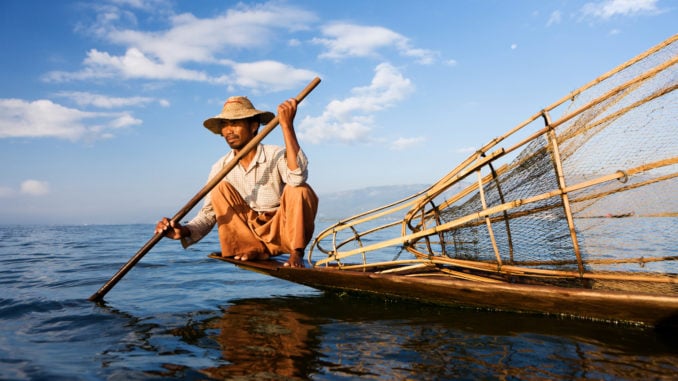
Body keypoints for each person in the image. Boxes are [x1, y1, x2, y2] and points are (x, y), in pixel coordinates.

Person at [155, 96, 319, 268]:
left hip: (284, 232)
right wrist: (183, 231)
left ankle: (296, 253)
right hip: (252, 238)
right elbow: (208, 214)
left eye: (234, 123)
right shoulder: (220, 167)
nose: (228, 131)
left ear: (254, 126)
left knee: (299, 190)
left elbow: (297, 177)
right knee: (220, 189)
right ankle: (255, 249)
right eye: (224, 125)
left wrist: (287, 126)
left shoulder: (275, 154)